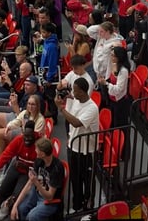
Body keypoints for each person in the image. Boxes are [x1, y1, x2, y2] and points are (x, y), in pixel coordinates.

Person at [59, 77, 99, 211]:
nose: (73, 93)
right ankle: (77, 204)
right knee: (75, 179)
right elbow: (72, 98)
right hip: (73, 146)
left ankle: (89, 206)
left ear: (82, 92)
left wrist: (61, 109)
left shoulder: (92, 108)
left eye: (75, 91)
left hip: (87, 150)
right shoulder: (76, 99)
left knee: (87, 180)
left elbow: (76, 122)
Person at [10, 137, 64, 221]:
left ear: (42, 154)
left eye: (36, 149)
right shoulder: (39, 161)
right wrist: (15, 205)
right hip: (37, 193)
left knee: (32, 217)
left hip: (50, 202)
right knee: (21, 209)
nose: (35, 150)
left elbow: (50, 196)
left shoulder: (56, 168)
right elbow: (29, 184)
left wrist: (36, 183)